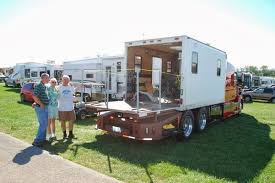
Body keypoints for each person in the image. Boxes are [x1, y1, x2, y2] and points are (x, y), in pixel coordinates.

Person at [32, 73, 50, 147]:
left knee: (45, 124)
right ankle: (37, 141)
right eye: (47, 78)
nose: (48, 79)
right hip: (41, 107)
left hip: (45, 107)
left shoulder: (44, 86)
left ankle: (43, 139)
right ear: (42, 78)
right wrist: (40, 104)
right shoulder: (39, 86)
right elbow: (34, 96)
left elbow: (40, 96)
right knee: (43, 124)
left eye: (48, 78)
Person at [58, 75, 76, 139]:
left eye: (67, 80)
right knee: (63, 122)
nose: (66, 81)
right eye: (64, 80)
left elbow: (74, 93)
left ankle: (70, 134)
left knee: (71, 121)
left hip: (71, 107)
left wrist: (74, 98)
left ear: (69, 80)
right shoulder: (59, 87)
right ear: (62, 80)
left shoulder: (71, 86)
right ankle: (64, 134)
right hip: (62, 108)